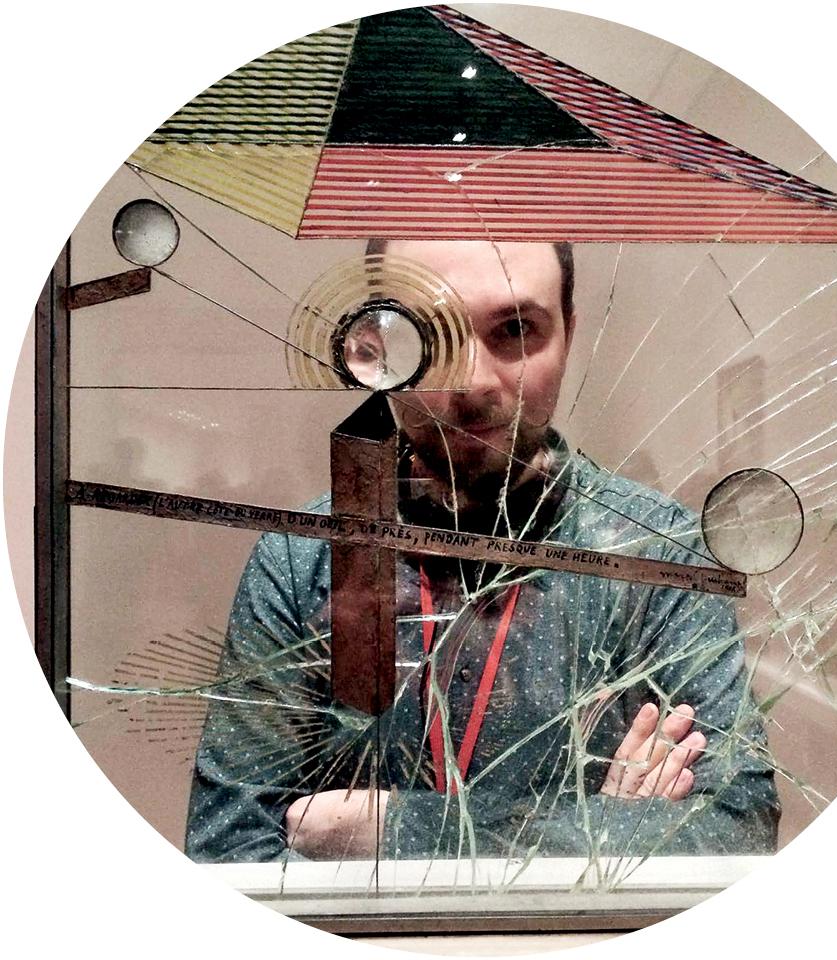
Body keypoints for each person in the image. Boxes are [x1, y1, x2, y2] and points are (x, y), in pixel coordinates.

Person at [185, 240, 780, 863]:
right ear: (377, 348)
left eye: (516, 329)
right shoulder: (302, 557)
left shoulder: (656, 554)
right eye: (428, 335)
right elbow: (227, 850)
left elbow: (737, 828)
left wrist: (388, 831)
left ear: (568, 335)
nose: (471, 381)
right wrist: (605, 833)